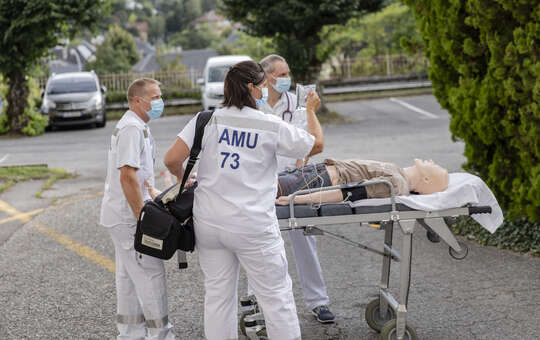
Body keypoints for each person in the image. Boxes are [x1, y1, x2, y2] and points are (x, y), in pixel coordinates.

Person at [163, 60, 323, 340]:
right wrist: (310, 111)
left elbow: (171, 159)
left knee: (218, 297)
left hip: (209, 224)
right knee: (276, 298)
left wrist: (181, 179)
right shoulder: (267, 124)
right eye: (262, 87)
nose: (264, 92)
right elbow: (316, 144)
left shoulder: (206, 119)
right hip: (252, 225)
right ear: (251, 88)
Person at [259, 54, 335, 323]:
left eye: (287, 73)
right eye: (281, 75)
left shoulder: (298, 105)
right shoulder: (254, 105)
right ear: (267, 78)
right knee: (261, 246)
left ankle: (318, 301)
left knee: (305, 242)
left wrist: (299, 173)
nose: (286, 79)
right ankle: (257, 305)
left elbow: (310, 144)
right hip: (260, 183)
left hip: (292, 182)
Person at [100, 78, 176, 340]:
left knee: (129, 278)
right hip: (128, 217)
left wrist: (153, 193)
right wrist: (142, 217)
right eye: (154, 97)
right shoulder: (132, 128)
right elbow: (127, 176)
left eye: (159, 96)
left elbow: (138, 177)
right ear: (136, 100)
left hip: (121, 215)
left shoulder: (136, 126)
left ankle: (131, 334)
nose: (159, 101)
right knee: (149, 274)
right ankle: (161, 335)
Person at [275, 158, 450, 205]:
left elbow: (345, 193)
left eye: (437, 166)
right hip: (311, 175)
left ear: (427, 179)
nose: (433, 161)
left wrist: (296, 199)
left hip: (312, 182)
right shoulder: (398, 174)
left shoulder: (395, 184)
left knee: (250, 188)